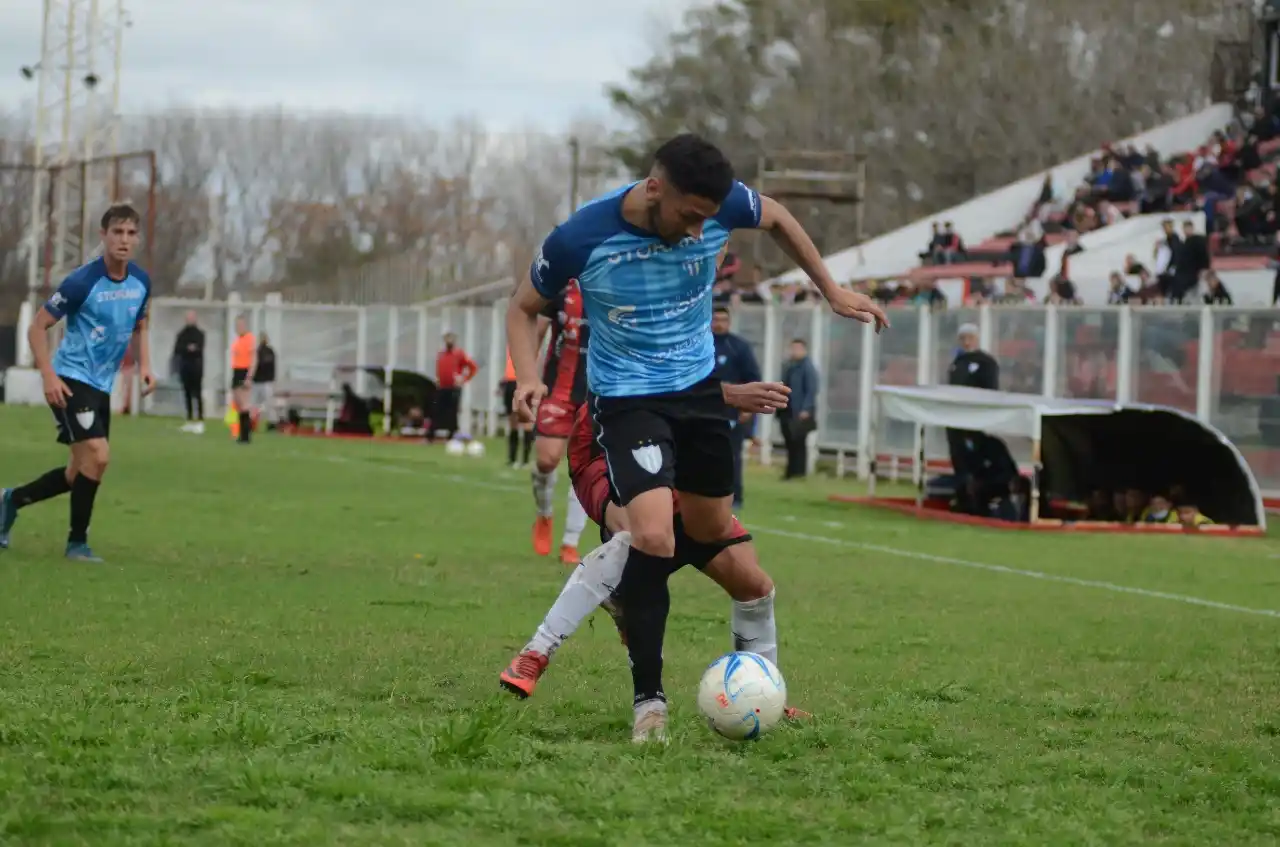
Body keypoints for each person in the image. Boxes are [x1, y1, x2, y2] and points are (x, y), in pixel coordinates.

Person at [506, 133, 887, 742]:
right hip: (629, 401)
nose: (697, 232)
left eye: (709, 220)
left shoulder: (720, 206)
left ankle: (735, 671)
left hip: (700, 396)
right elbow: (524, 306)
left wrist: (832, 290)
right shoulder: (583, 236)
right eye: (689, 215)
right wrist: (529, 376)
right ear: (656, 188)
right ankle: (648, 705)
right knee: (652, 534)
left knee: (710, 534)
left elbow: (780, 217)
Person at [499, 381, 812, 731]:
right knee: (638, 532)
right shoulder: (629, 330)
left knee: (755, 587)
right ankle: (536, 653)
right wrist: (726, 394)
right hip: (610, 434)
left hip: (678, 444)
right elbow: (639, 381)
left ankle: (763, 693)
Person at [0, 203, 155, 562]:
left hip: (101, 385)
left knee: (78, 471)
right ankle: (77, 543)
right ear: (103, 236)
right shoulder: (82, 282)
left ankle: (12, 500)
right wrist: (48, 376)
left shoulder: (141, 282)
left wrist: (145, 363)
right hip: (71, 379)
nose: (124, 240)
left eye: (131, 233)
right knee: (98, 456)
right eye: (117, 232)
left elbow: (140, 324)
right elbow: (37, 327)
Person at [530, 278, 591, 564]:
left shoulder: (619, 285)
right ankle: (544, 513)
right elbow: (537, 330)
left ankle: (570, 542)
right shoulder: (561, 288)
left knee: (583, 466)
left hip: (597, 391)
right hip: (558, 389)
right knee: (546, 460)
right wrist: (526, 378)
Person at [711, 306, 761, 509]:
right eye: (715, 319)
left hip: (731, 414)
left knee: (732, 456)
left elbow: (753, 378)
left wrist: (747, 408)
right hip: (700, 411)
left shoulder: (739, 347)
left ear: (729, 322)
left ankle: (735, 497)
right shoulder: (699, 345)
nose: (719, 323)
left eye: (723, 319)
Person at [779, 338, 819, 480]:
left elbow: (811, 389)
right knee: (790, 442)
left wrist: (806, 409)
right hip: (787, 410)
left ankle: (798, 472)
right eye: (793, 348)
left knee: (798, 442)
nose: (794, 352)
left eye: (798, 349)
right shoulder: (788, 366)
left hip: (799, 411)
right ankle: (790, 472)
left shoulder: (807, 367)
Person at [433, 332, 476, 441]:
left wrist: (463, 379)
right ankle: (431, 434)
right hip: (442, 387)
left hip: (454, 387)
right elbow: (439, 368)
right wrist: (438, 379)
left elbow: (472, 367)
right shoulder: (441, 354)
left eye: (451, 339)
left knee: (452, 412)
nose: (449, 342)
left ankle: (451, 436)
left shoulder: (459, 354)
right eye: (447, 339)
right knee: (437, 410)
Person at [500, 350, 534, 468]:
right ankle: (512, 459)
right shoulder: (513, 338)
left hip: (525, 381)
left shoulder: (531, 339)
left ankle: (525, 460)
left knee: (526, 420)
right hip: (510, 381)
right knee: (512, 421)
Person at [173, 310, 205, 434]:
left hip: (196, 368)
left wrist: (191, 349)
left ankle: (200, 420)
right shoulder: (182, 334)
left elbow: (199, 348)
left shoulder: (200, 334)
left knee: (197, 394)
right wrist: (188, 348)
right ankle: (190, 419)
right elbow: (178, 349)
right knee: (187, 394)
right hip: (185, 368)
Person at [229, 317, 256, 444]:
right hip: (236, 370)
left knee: (245, 404)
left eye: (241, 324)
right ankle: (241, 433)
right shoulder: (237, 339)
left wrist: (249, 377)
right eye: (237, 325)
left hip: (244, 371)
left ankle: (246, 436)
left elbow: (254, 359)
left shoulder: (250, 338)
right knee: (238, 404)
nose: (238, 327)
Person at [252, 332, 278, 430]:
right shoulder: (263, 352)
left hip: (264, 381)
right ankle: (254, 421)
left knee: (266, 403)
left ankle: (270, 421)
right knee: (258, 404)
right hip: (261, 381)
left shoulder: (266, 352)